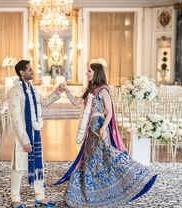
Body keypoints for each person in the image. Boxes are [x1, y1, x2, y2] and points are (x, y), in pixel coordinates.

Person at [56, 58, 157, 207]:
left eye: (89, 71)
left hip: (99, 128)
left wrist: (103, 128)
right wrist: (67, 91)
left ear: (96, 73)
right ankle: (94, 187)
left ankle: (133, 176)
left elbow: (109, 112)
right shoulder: (90, 89)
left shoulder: (103, 90)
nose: (86, 73)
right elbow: (76, 102)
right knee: (92, 158)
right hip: (90, 130)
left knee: (106, 156)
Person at [8, 60, 63, 208]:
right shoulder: (15, 91)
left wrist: (57, 93)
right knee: (19, 167)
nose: (32, 72)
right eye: (29, 70)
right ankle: (15, 197)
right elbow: (17, 119)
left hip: (35, 132)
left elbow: (43, 103)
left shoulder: (33, 89)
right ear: (21, 72)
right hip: (23, 135)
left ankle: (40, 196)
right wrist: (25, 140)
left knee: (38, 166)